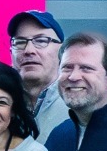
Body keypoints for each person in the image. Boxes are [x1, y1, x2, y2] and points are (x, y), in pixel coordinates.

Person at [8, 10, 69, 138]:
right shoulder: (1, 103)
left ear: (62, 51)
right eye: (20, 42)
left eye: (41, 41)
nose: (29, 50)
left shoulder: (77, 104)